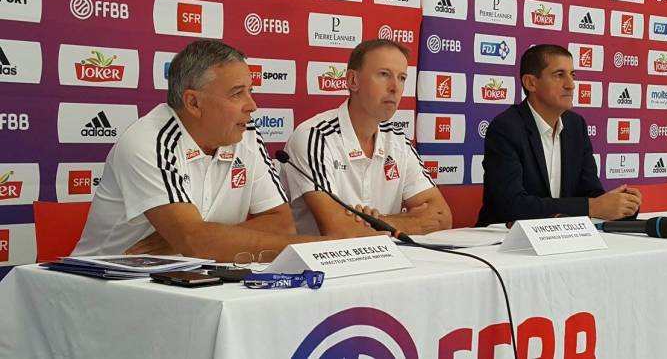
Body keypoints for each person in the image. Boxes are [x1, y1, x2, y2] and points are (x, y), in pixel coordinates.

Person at [73, 40, 331, 261]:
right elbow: (195, 241)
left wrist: (195, 239)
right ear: (193, 102)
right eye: (237, 94)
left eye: (250, 91)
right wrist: (322, 249)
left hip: (189, 279)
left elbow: (282, 223)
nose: (252, 105)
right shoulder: (148, 140)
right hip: (105, 285)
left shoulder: (246, 135)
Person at [281, 39, 452, 236]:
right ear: (353, 80)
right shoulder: (315, 137)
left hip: (390, 259)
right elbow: (339, 230)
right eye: (384, 75)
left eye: (402, 78)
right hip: (326, 265)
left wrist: (379, 222)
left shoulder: (398, 142)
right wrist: (411, 222)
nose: (395, 88)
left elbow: (442, 216)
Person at [477, 44, 642, 226]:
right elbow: (512, 205)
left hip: (562, 237)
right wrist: (591, 207)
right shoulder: (506, 128)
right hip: (503, 241)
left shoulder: (575, 126)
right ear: (531, 83)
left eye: (573, 75)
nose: (571, 85)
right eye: (559, 75)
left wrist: (621, 204)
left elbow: (590, 193)